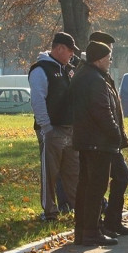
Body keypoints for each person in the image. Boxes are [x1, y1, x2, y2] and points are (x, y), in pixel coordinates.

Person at [69, 41, 120, 246]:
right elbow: (102, 111)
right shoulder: (96, 80)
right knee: (96, 188)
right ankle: (92, 231)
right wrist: (115, 133)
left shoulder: (81, 76)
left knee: (84, 186)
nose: (110, 62)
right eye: (108, 58)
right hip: (99, 142)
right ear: (99, 59)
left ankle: (82, 230)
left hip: (84, 140)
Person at [87, 31, 128, 237]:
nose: (110, 57)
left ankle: (112, 220)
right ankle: (102, 223)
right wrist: (115, 133)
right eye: (108, 52)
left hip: (109, 139)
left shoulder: (103, 75)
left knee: (120, 176)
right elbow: (102, 110)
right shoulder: (93, 75)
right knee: (101, 182)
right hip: (102, 139)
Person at [28, 32, 80, 222]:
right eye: (70, 51)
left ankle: (78, 208)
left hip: (70, 129)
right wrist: (46, 127)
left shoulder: (68, 69)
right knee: (50, 173)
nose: (72, 55)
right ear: (59, 48)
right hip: (52, 129)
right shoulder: (41, 70)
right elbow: (38, 100)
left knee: (73, 172)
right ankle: (50, 211)